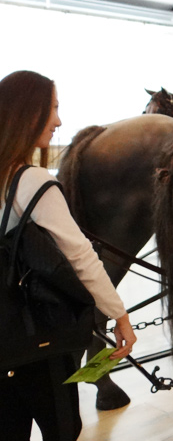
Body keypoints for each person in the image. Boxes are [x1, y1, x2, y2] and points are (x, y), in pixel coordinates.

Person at [0, 70, 137, 440]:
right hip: (35, 339)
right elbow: (80, 257)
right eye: (52, 109)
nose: (58, 121)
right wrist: (119, 314)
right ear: (27, 114)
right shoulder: (30, 181)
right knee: (62, 427)